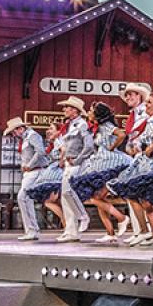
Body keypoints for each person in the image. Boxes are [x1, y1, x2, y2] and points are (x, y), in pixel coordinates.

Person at [108, 90, 153, 246]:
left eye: (149, 103)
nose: (146, 106)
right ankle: (149, 233)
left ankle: (148, 232)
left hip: (151, 164)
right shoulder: (152, 119)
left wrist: (148, 150)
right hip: (148, 163)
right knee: (141, 199)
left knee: (138, 197)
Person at [70, 102, 133, 244]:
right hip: (100, 161)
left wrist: (112, 147)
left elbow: (121, 135)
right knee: (96, 197)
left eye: (91, 110)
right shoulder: (98, 128)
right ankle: (110, 232)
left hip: (109, 162)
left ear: (98, 114)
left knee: (95, 197)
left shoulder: (106, 126)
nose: (88, 112)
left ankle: (122, 218)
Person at [113, 83, 152, 240]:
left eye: (131, 94)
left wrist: (139, 146)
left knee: (141, 194)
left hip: (145, 155)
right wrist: (129, 146)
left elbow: (149, 130)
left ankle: (147, 230)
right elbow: (132, 135)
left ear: (139, 96)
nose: (128, 97)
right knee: (133, 195)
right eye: (127, 95)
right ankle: (138, 231)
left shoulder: (145, 112)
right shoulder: (133, 114)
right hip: (135, 156)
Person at [56, 96, 93, 242]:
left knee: (67, 192)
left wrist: (78, 160)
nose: (64, 110)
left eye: (67, 107)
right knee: (64, 198)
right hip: (67, 163)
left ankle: (83, 216)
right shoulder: (69, 125)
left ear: (75, 111)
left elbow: (89, 145)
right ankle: (71, 231)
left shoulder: (82, 125)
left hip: (76, 163)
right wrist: (62, 158)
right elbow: (65, 146)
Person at [6, 117, 50, 241]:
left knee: (22, 197)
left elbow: (40, 151)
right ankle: (31, 230)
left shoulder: (32, 135)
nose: (13, 134)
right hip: (29, 173)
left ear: (20, 129)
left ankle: (32, 229)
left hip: (36, 170)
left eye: (14, 132)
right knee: (26, 199)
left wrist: (29, 165)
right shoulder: (25, 138)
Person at [23, 123, 68, 230]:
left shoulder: (58, 140)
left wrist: (61, 163)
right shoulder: (54, 143)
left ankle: (67, 225)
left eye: (51, 128)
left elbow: (64, 151)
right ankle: (67, 225)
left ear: (58, 131)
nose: (48, 130)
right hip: (54, 171)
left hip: (56, 173)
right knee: (55, 202)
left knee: (48, 201)